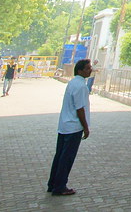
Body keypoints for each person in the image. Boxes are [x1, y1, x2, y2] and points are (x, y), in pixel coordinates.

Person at [47, 59, 92, 197]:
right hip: (73, 126)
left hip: (64, 125)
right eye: (87, 68)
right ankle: (60, 186)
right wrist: (85, 127)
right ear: (80, 70)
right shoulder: (81, 86)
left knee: (60, 155)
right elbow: (80, 109)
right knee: (67, 158)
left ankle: (53, 183)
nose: (90, 70)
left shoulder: (73, 83)